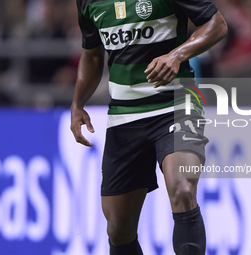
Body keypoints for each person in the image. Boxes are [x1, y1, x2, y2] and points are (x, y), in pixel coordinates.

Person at [70, 0, 227, 254]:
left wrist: (177, 54)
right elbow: (92, 53)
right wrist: (78, 104)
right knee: (118, 229)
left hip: (176, 103)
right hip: (124, 115)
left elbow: (217, 24)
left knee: (182, 188)